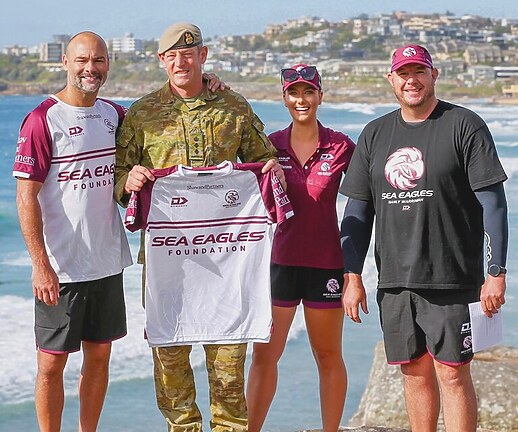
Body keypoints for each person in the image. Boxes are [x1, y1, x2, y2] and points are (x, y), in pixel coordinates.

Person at [114, 22, 284, 432]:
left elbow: (264, 162)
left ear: (202, 56)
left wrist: (273, 168)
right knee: (171, 358)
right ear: (161, 61)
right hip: (168, 260)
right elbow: (118, 180)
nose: (180, 61)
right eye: (172, 55)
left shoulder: (233, 107)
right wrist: (129, 182)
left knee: (227, 366)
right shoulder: (142, 114)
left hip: (229, 258)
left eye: (188, 54)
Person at [340, 44, 508, 432]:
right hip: (396, 282)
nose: (411, 80)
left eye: (419, 71)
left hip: (451, 277)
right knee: (413, 372)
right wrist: (351, 277)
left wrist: (495, 272)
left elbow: (494, 205)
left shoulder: (464, 125)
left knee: (452, 374)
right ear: (391, 80)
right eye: (403, 73)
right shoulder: (375, 133)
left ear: (434, 75)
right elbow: (357, 213)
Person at [12, 32, 133, 432]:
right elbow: (26, 197)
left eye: (98, 60)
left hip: (107, 262)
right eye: (82, 60)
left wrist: (209, 84)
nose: (90, 68)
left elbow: (164, 118)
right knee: (51, 364)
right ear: (65, 62)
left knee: (99, 359)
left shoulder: (115, 115)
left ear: (108, 64)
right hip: (61, 269)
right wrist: (39, 264)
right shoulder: (42, 119)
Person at [246, 64, 356, 432]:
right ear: (284, 98)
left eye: (308, 92)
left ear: (320, 96)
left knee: (327, 356)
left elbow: (371, 196)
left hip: (326, 264)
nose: (301, 99)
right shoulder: (270, 145)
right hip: (280, 264)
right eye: (294, 93)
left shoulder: (340, 145)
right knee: (264, 355)